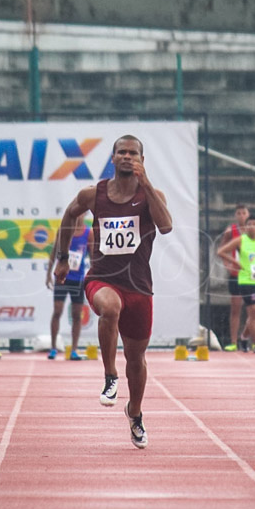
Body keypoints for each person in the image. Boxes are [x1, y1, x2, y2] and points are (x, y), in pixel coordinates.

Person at [54, 135, 173, 449]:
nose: (127, 157)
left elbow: (166, 226)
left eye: (133, 153)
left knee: (137, 359)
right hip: (102, 279)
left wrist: (146, 185)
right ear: (112, 157)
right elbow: (69, 216)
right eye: (121, 152)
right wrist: (62, 258)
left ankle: (134, 412)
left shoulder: (152, 195)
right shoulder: (94, 194)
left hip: (139, 287)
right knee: (109, 308)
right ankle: (110, 376)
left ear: (142, 160)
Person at [216, 214, 255, 353]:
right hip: (245, 280)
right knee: (253, 311)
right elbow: (221, 251)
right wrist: (236, 263)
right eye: (250, 224)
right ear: (246, 227)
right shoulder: (241, 240)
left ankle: (243, 338)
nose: (252, 226)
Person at [46, 219, 92, 360]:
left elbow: (93, 256)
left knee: (77, 315)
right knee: (57, 311)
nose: (78, 216)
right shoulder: (64, 230)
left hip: (77, 279)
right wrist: (48, 273)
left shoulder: (88, 233)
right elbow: (54, 252)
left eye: (81, 213)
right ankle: (53, 348)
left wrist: (95, 275)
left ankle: (74, 349)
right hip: (62, 276)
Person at [220, 204, 249, 351]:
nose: (241, 216)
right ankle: (233, 341)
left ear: (248, 214)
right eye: (239, 213)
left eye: (244, 213)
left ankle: (248, 338)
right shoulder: (231, 231)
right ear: (235, 216)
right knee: (236, 309)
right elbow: (221, 248)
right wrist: (228, 264)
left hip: (252, 275)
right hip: (236, 274)